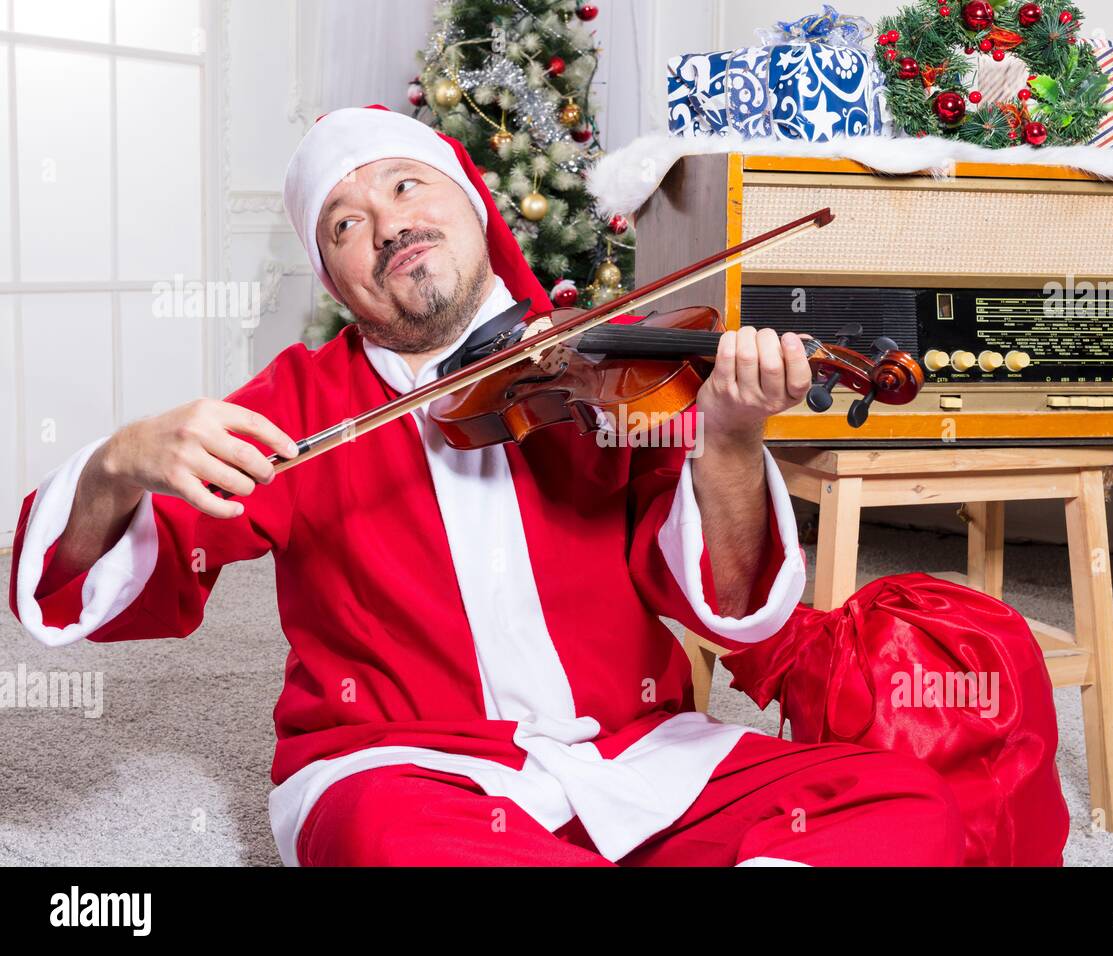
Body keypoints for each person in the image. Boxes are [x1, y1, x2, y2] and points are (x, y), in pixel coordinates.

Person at [8, 106, 964, 866]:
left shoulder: (606, 372)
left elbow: (730, 600)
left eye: (405, 184)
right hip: (405, 774)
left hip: (633, 752)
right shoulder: (297, 404)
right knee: (387, 845)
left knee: (906, 811)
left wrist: (730, 433)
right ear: (336, 278)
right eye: (347, 223)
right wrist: (114, 466)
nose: (388, 225)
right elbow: (99, 581)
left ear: (472, 202)